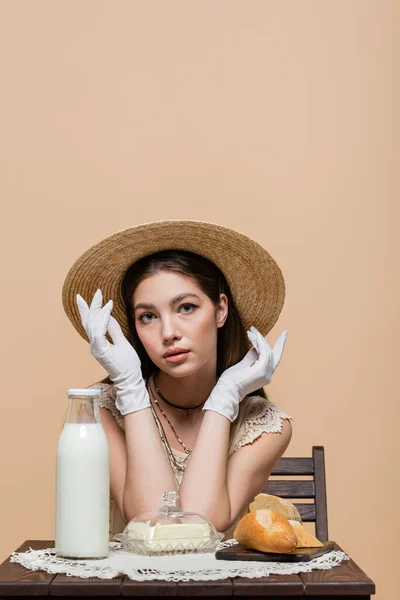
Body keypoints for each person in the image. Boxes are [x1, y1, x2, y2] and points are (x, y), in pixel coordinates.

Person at [62, 219, 294, 540]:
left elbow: (200, 526)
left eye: (186, 307)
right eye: (148, 316)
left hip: (224, 590)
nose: (168, 333)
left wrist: (224, 397)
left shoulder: (266, 425)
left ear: (220, 310)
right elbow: (153, 522)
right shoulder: (100, 410)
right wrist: (130, 388)